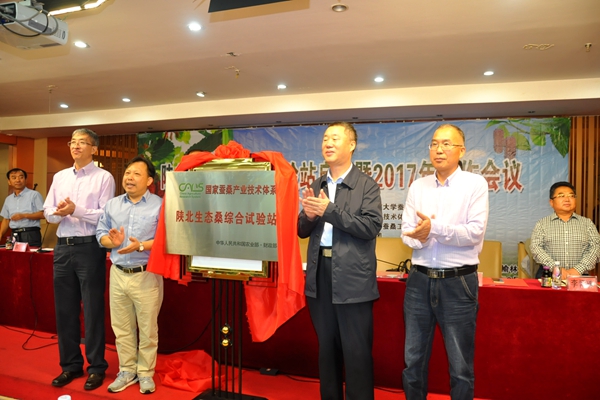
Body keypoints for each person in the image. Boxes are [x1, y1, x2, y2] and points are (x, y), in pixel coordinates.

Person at [401, 124, 489, 400]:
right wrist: (421, 237)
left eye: (447, 144)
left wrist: (434, 229)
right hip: (419, 280)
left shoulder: (475, 184)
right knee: (413, 361)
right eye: (434, 143)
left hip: (458, 281)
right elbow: (407, 233)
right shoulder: (418, 186)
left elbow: (474, 233)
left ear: (461, 150)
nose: (439, 149)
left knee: (460, 366)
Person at [298, 121, 383, 400]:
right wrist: (309, 216)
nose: (328, 143)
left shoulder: (366, 185)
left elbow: (370, 227)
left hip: (353, 277)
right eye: (325, 138)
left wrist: (329, 211)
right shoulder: (317, 184)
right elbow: (301, 230)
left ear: (352, 145)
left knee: (356, 352)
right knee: (327, 349)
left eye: (335, 138)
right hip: (320, 273)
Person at [44, 128, 116, 391]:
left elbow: (105, 215)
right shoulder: (60, 176)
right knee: (65, 310)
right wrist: (58, 212)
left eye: (82, 142)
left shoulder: (103, 177)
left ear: (93, 148)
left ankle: (96, 367)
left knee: (93, 309)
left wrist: (77, 210)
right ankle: (70, 365)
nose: (75, 146)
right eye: (72, 142)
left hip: (89, 247)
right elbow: (47, 211)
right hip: (62, 248)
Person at [96, 155, 163, 394]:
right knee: (122, 328)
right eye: (127, 173)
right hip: (118, 273)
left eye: (136, 174)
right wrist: (111, 242)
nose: (129, 178)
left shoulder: (159, 205)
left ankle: (145, 372)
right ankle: (126, 371)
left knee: (147, 329)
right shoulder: (112, 205)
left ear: (149, 181)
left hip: (146, 274)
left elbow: (166, 238)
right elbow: (100, 234)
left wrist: (140, 246)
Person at [530, 181, 600, 278]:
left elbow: (596, 247)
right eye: (561, 196)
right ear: (551, 202)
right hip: (549, 275)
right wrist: (555, 268)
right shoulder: (542, 224)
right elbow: (536, 248)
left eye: (571, 196)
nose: (567, 199)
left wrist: (577, 269)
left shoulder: (587, 223)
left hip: (580, 276)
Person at [0, 168, 44, 247]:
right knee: (13, 255)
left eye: (21, 177)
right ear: (9, 182)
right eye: (14, 178)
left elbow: (43, 214)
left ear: (26, 180)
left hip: (30, 234)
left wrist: (24, 215)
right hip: (14, 234)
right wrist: (0, 234)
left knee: (30, 255)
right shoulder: (8, 199)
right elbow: (6, 219)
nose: (18, 180)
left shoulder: (34, 195)